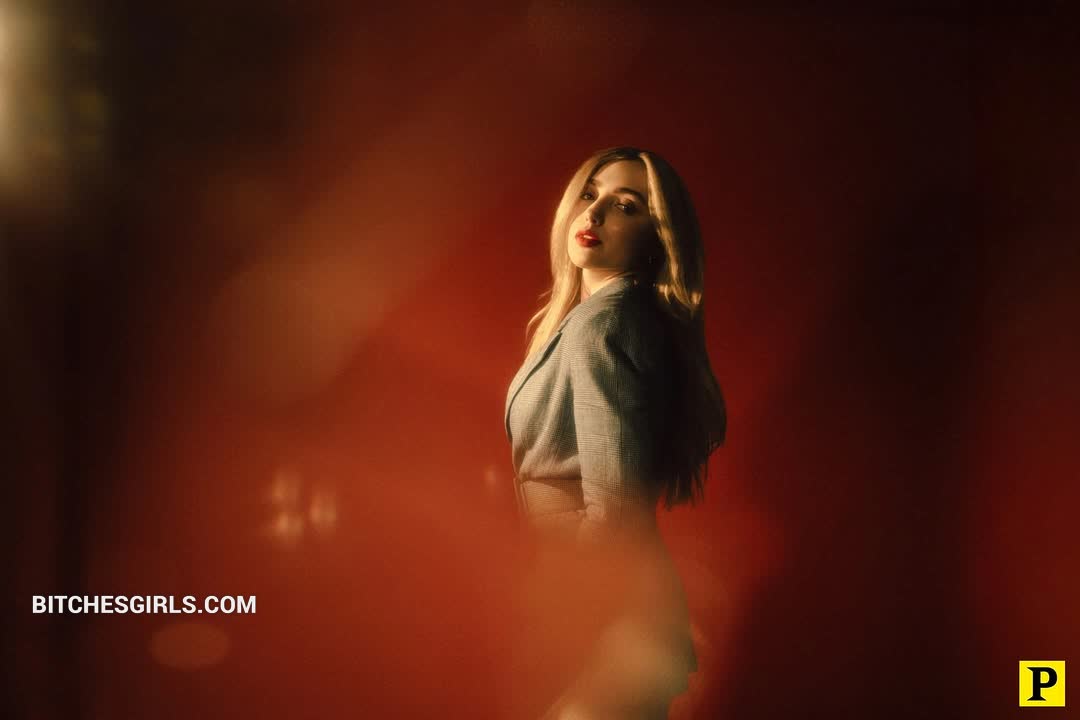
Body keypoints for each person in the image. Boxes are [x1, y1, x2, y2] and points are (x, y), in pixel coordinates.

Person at [503, 146, 727, 719]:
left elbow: (616, 505)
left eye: (625, 205)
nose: (595, 213)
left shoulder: (605, 324)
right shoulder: (607, 318)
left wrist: (565, 619)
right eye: (590, 194)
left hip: (608, 617)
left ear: (658, 238)